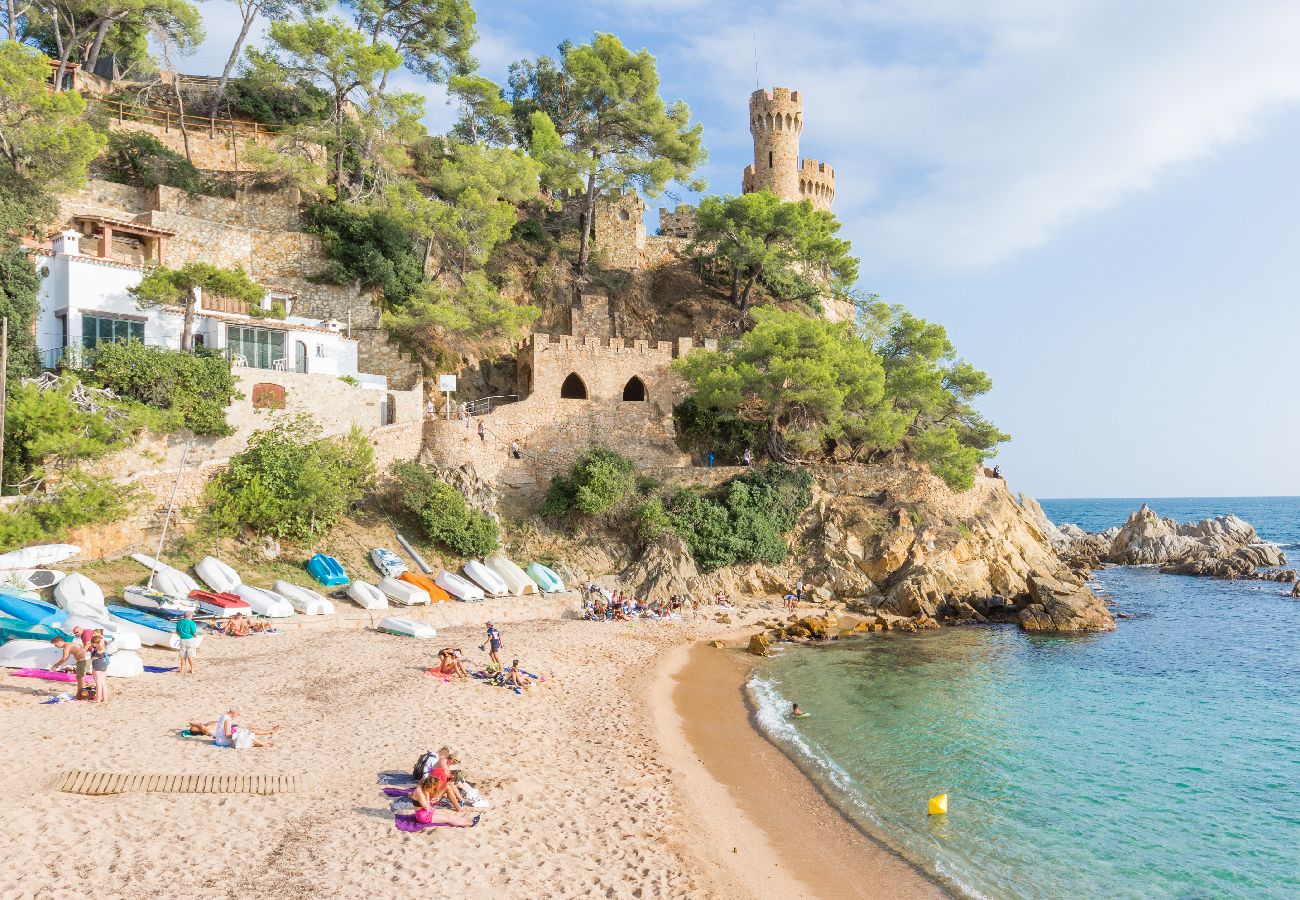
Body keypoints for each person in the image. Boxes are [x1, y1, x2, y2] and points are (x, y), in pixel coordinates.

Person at [89, 633, 110, 704]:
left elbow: (94, 657)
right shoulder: (103, 647)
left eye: (92, 643)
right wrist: (101, 638)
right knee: (103, 683)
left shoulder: (99, 648)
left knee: (98, 683)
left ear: (95, 643)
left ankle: (98, 699)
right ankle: (104, 699)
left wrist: (93, 658)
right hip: (104, 665)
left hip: (97, 665)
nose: (92, 645)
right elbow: (103, 641)